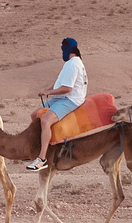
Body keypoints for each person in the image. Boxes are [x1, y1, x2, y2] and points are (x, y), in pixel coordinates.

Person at [27, 38, 88, 171]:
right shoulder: (71, 63)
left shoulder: (73, 65)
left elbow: (67, 88)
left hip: (70, 99)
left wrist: (49, 92)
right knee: (35, 115)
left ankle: (42, 158)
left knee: (45, 120)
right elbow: (60, 83)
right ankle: (38, 148)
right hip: (61, 97)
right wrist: (47, 91)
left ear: (67, 50)